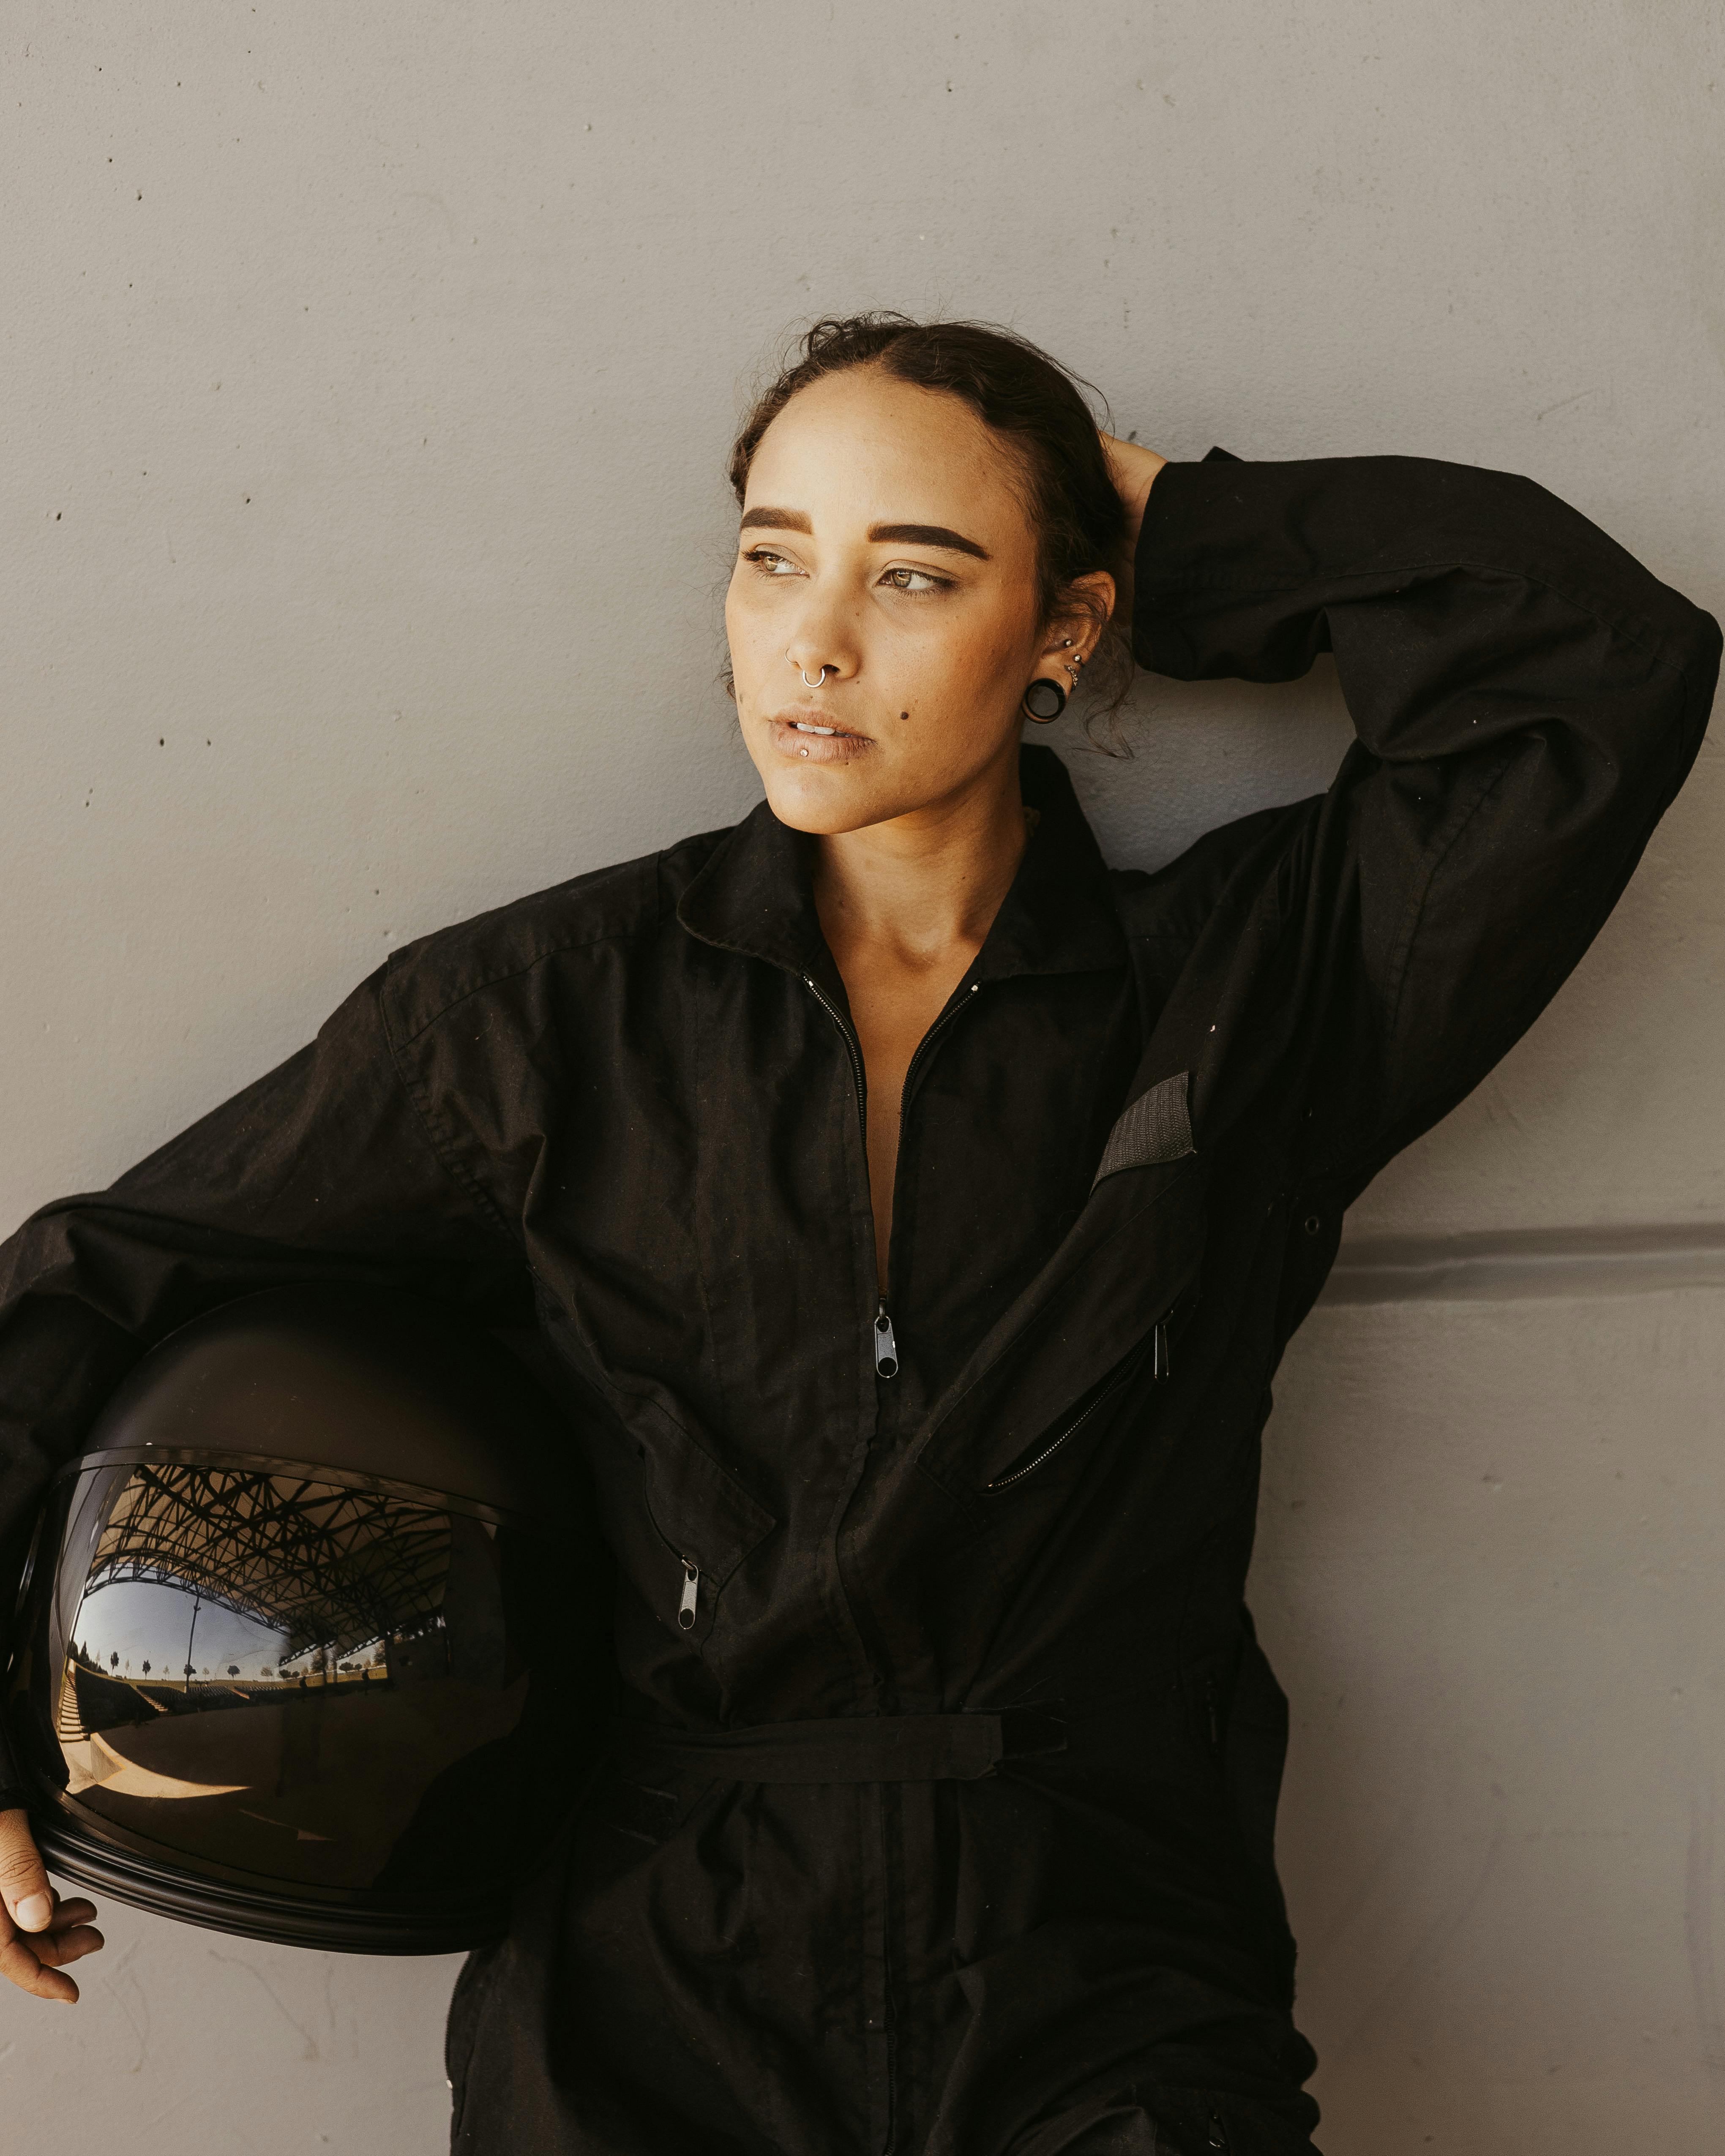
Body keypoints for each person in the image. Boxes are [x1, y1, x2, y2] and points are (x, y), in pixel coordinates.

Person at [0, 313, 1716, 2156]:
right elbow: (100, 1273)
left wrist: (1175, 526)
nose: (813, 641)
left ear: (1064, 627)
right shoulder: (537, 1017)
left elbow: (1593, 669)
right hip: (643, 2001)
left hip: (1105, 1983)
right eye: (770, 559)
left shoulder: (1241, 990)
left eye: (916, 573)